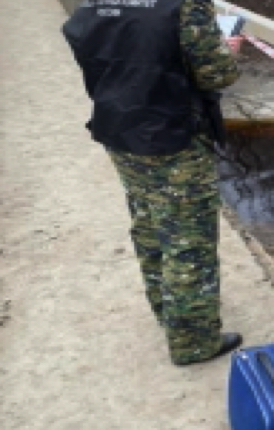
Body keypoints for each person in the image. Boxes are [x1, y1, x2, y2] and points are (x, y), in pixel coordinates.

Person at [62, 0, 245, 366]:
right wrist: (228, 49)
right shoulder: (186, 5)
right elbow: (216, 74)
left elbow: (80, 37)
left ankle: (167, 308)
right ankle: (193, 342)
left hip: (119, 126)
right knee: (188, 240)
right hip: (171, 136)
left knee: (148, 223)